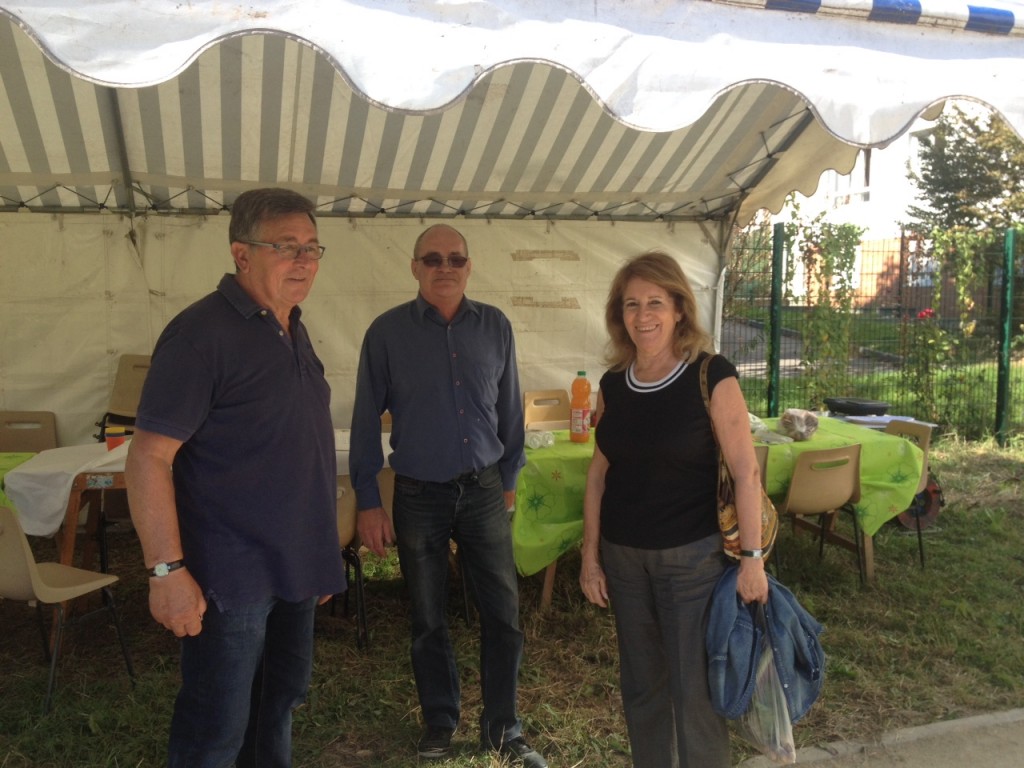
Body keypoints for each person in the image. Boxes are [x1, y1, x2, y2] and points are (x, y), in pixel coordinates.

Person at [125, 187, 345, 768]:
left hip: (293, 567)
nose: (304, 261)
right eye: (286, 247)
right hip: (229, 577)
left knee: (277, 707)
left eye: (312, 248)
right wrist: (166, 572)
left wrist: (316, 553)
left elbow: (296, 452)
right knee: (216, 730)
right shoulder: (200, 335)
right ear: (241, 254)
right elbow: (148, 458)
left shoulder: (292, 326)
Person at [349, 224, 546, 768]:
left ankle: (503, 727)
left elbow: (511, 407)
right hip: (417, 495)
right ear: (414, 267)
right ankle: (440, 721)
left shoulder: (495, 326)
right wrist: (368, 498)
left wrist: (508, 480)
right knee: (427, 616)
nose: (445, 268)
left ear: (469, 266)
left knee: (503, 613)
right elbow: (364, 419)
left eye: (455, 259)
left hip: (483, 490)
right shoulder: (387, 333)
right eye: (432, 259)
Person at [578, 250, 769, 768]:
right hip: (623, 559)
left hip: (693, 562)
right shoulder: (614, 383)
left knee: (695, 692)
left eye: (655, 302)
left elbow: (747, 472)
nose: (643, 316)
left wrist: (752, 558)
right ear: (620, 314)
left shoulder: (711, 375)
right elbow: (599, 474)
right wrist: (590, 556)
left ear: (679, 308)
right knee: (641, 687)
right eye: (631, 304)